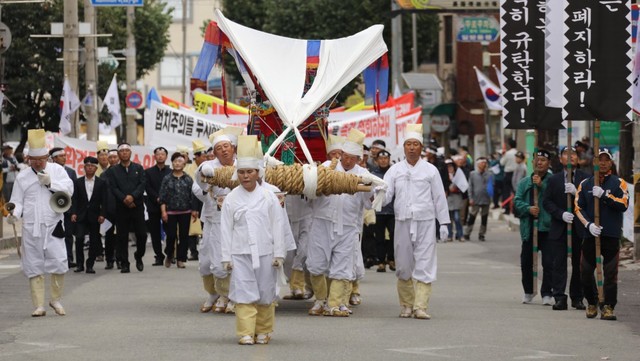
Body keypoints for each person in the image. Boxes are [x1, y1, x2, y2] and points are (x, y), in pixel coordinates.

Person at [220, 135, 286, 345]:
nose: (245, 176)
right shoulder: (231, 198)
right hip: (239, 253)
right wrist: (226, 257)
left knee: (266, 291)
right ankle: (245, 332)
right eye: (241, 172)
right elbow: (225, 229)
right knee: (243, 290)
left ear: (258, 173)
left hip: (266, 252)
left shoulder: (268, 196)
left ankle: (264, 330)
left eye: (249, 172)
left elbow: (278, 225)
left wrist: (279, 253)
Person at [383, 124, 450, 319]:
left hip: (425, 222)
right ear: (403, 147)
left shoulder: (430, 170)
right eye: (408, 144)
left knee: (425, 262)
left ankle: (420, 306)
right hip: (403, 221)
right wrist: (375, 197)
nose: (412, 147)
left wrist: (444, 223)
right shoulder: (395, 170)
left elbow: (439, 197)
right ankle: (406, 304)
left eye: (415, 144)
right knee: (403, 264)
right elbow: (386, 194)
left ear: (421, 148)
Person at [5, 129, 74, 316]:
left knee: (59, 261)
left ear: (47, 157)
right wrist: (14, 213)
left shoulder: (57, 170)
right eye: (34, 159)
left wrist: (51, 183)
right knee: (33, 263)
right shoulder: (23, 176)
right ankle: (38, 305)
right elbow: (17, 201)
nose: (38, 162)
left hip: (53, 224)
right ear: (28, 159)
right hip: (31, 226)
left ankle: (55, 299)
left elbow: (69, 191)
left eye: (42, 158)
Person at [307, 129, 372, 317]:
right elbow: (311, 192)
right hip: (322, 222)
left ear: (359, 159)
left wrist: (371, 188)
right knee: (316, 264)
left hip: (348, 227)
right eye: (344, 155)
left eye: (352, 157)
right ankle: (320, 299)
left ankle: (334, 304)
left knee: (342, 267)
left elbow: (369, 202)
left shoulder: (364, 174)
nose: (347, 160)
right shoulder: (327, 167)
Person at [575, 148, 628, 320]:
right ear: (594, 162)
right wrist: (589, 225)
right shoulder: (585, 184)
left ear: (611, 162)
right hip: (591, 234)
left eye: (606, 159)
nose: (603, 162)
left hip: (611, 234)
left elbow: (624, 204)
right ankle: (591, 302)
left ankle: (608, 306)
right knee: (585, 271)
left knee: (610, 273)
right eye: (599, 159)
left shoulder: (619, 183)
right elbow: (578, 208)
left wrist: (605, 195)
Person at [196, 126, 244, 314]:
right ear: (214, 152)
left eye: (226, 146)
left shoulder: (244, 165)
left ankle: (231, 295)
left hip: (239, 220)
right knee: (208, 261)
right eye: (219, 148)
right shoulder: (208, 167)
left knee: (235, 259)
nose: (223, 150)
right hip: (214, 218)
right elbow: (198, 185)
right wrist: (210, 196)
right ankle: (215, 293)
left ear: (233, 147)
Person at [542, 147, 589, 311]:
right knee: (559, 264)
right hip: (560, 227)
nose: (570, 157)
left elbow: (589, 201)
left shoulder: (585, 178)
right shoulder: (554, 179)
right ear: (561, 159)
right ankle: (559, 297)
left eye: (574, 154)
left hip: (579, 227)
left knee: (579, 264)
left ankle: (577, 297)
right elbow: (546, 202)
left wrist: (577, 193)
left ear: (578, 158)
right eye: (566, 155)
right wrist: (560, 214)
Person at [514, 149, 553, 305]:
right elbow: (517, 202)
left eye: (543, 160)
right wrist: (528, 208)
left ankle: (547, 293)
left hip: (547, 227)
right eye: (537, 159)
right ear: (532, 163)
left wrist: (542, 185)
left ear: (548, 163)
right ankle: (528, 291)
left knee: (549, 262)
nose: (539, 162)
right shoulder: (524, 182)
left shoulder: (553, 181)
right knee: (526, 261)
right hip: (529, 228)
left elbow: (557, 199)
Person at [106, 143, 147, 274]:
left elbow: (142, 185)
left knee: (142, 234)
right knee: (122, 236)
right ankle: (125, 263)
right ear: (118, 154)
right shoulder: (113, 171)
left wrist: (132, 197)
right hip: (121, 207)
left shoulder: (138, 168)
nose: (124, 153)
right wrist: (125, 199)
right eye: (121, 151)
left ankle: (139, 255)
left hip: (137, 206)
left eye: (126, 151)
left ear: (130, 153)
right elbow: (113, 187)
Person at [70, 156, 107, 274]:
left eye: (92, 166)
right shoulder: (78, 182)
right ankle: (79, 264)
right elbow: (74, 198)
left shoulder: (101, 183)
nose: (90, 168)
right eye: (87, 166)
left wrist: (102, 214)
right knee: (79, 238)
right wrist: (73, 212)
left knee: (94, 240)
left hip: (95, 216)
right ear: (84, 167)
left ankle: (90, 264)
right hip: (81, 215)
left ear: (96, 168)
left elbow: (104, 200)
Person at [159, 152, 195, 269]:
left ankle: (181, 259)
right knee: (171, 235)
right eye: (175, 161)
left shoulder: (188, 179)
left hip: (185, 212)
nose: (177, 163)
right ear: (172, 163)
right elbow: (162, 197)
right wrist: (163, 211)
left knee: (184, 236)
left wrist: (194, 210)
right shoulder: (167, 178)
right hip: (170, 212)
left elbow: (193, 196)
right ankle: (169, 255)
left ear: (184, 164)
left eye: (180, 161)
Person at [49, 147, 78, 268]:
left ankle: (69, 258)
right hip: (52, 208)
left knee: (68, 234)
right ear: (54, 158)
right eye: (61, 156)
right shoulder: (48, 172)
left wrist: (74, 211)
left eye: (65, 155)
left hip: (68, 208)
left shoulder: (71, 172)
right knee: (53, 234)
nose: (64, 158)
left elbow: (75, 193)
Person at [145, 147, 171, 266]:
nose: (160, 156)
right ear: (154, 156)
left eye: (162, 154)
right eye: (158, 154)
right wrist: (157, 198)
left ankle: (170, 253)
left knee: (170, 232)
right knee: (155, 233)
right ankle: (158, 256)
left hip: (169, 206)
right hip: (153, 205)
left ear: (166, 156)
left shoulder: (170, 172)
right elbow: (147, 187)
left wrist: (164, 199)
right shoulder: (148, 172)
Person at [185, 139, 209, 261]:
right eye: (203, 156)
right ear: (196, 157)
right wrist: (193, 207)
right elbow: (192, 189)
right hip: (191, 201)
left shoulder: (208, 166)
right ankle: (193, 251)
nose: (205, 158)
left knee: (205, 227)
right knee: (192, 229)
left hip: (205, 200)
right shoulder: (189, 168)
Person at [372, 149, 395, 271]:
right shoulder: (373, 174)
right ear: (377, 161)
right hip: (379, 211)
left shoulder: (394, 173)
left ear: (389, 160)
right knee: (379, 237)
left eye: (386, 158)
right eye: (381, 158)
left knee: (393, 236)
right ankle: (381, 261)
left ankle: (391, 259)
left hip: (392, 211)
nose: (383, 160)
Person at [464, 157, 491, 242]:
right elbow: (470, 187)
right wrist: (470, 198)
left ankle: (482, 234)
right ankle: (467, 233)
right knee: (472, 216)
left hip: (486, 198)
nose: (484, 164)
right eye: (482, 163)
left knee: (484, 217)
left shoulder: (489, 174)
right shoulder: (472, 174)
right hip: (475, 199)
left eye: (485, 163)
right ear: (478, 164)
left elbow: (491, 187)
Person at [445, 159, 464, 242]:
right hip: (448, 199)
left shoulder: (458, 175)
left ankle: (460, 235)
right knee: (449, 219)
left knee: (457, 218)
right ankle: (450, 235)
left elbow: (463, 186)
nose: (450, 168)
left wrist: (456, 189)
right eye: (448, 167)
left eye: (451, 166)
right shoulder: (444, 176)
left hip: (456, 198)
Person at [501, 139, 518, 214]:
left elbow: (502, 163)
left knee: (506, 191)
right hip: (517, 173)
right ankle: (515, 209)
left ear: (509, 145)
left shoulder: (507, 153)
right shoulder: (518, 153)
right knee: (516, 191)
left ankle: (507, 208)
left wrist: (503, 155)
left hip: (508, 174)